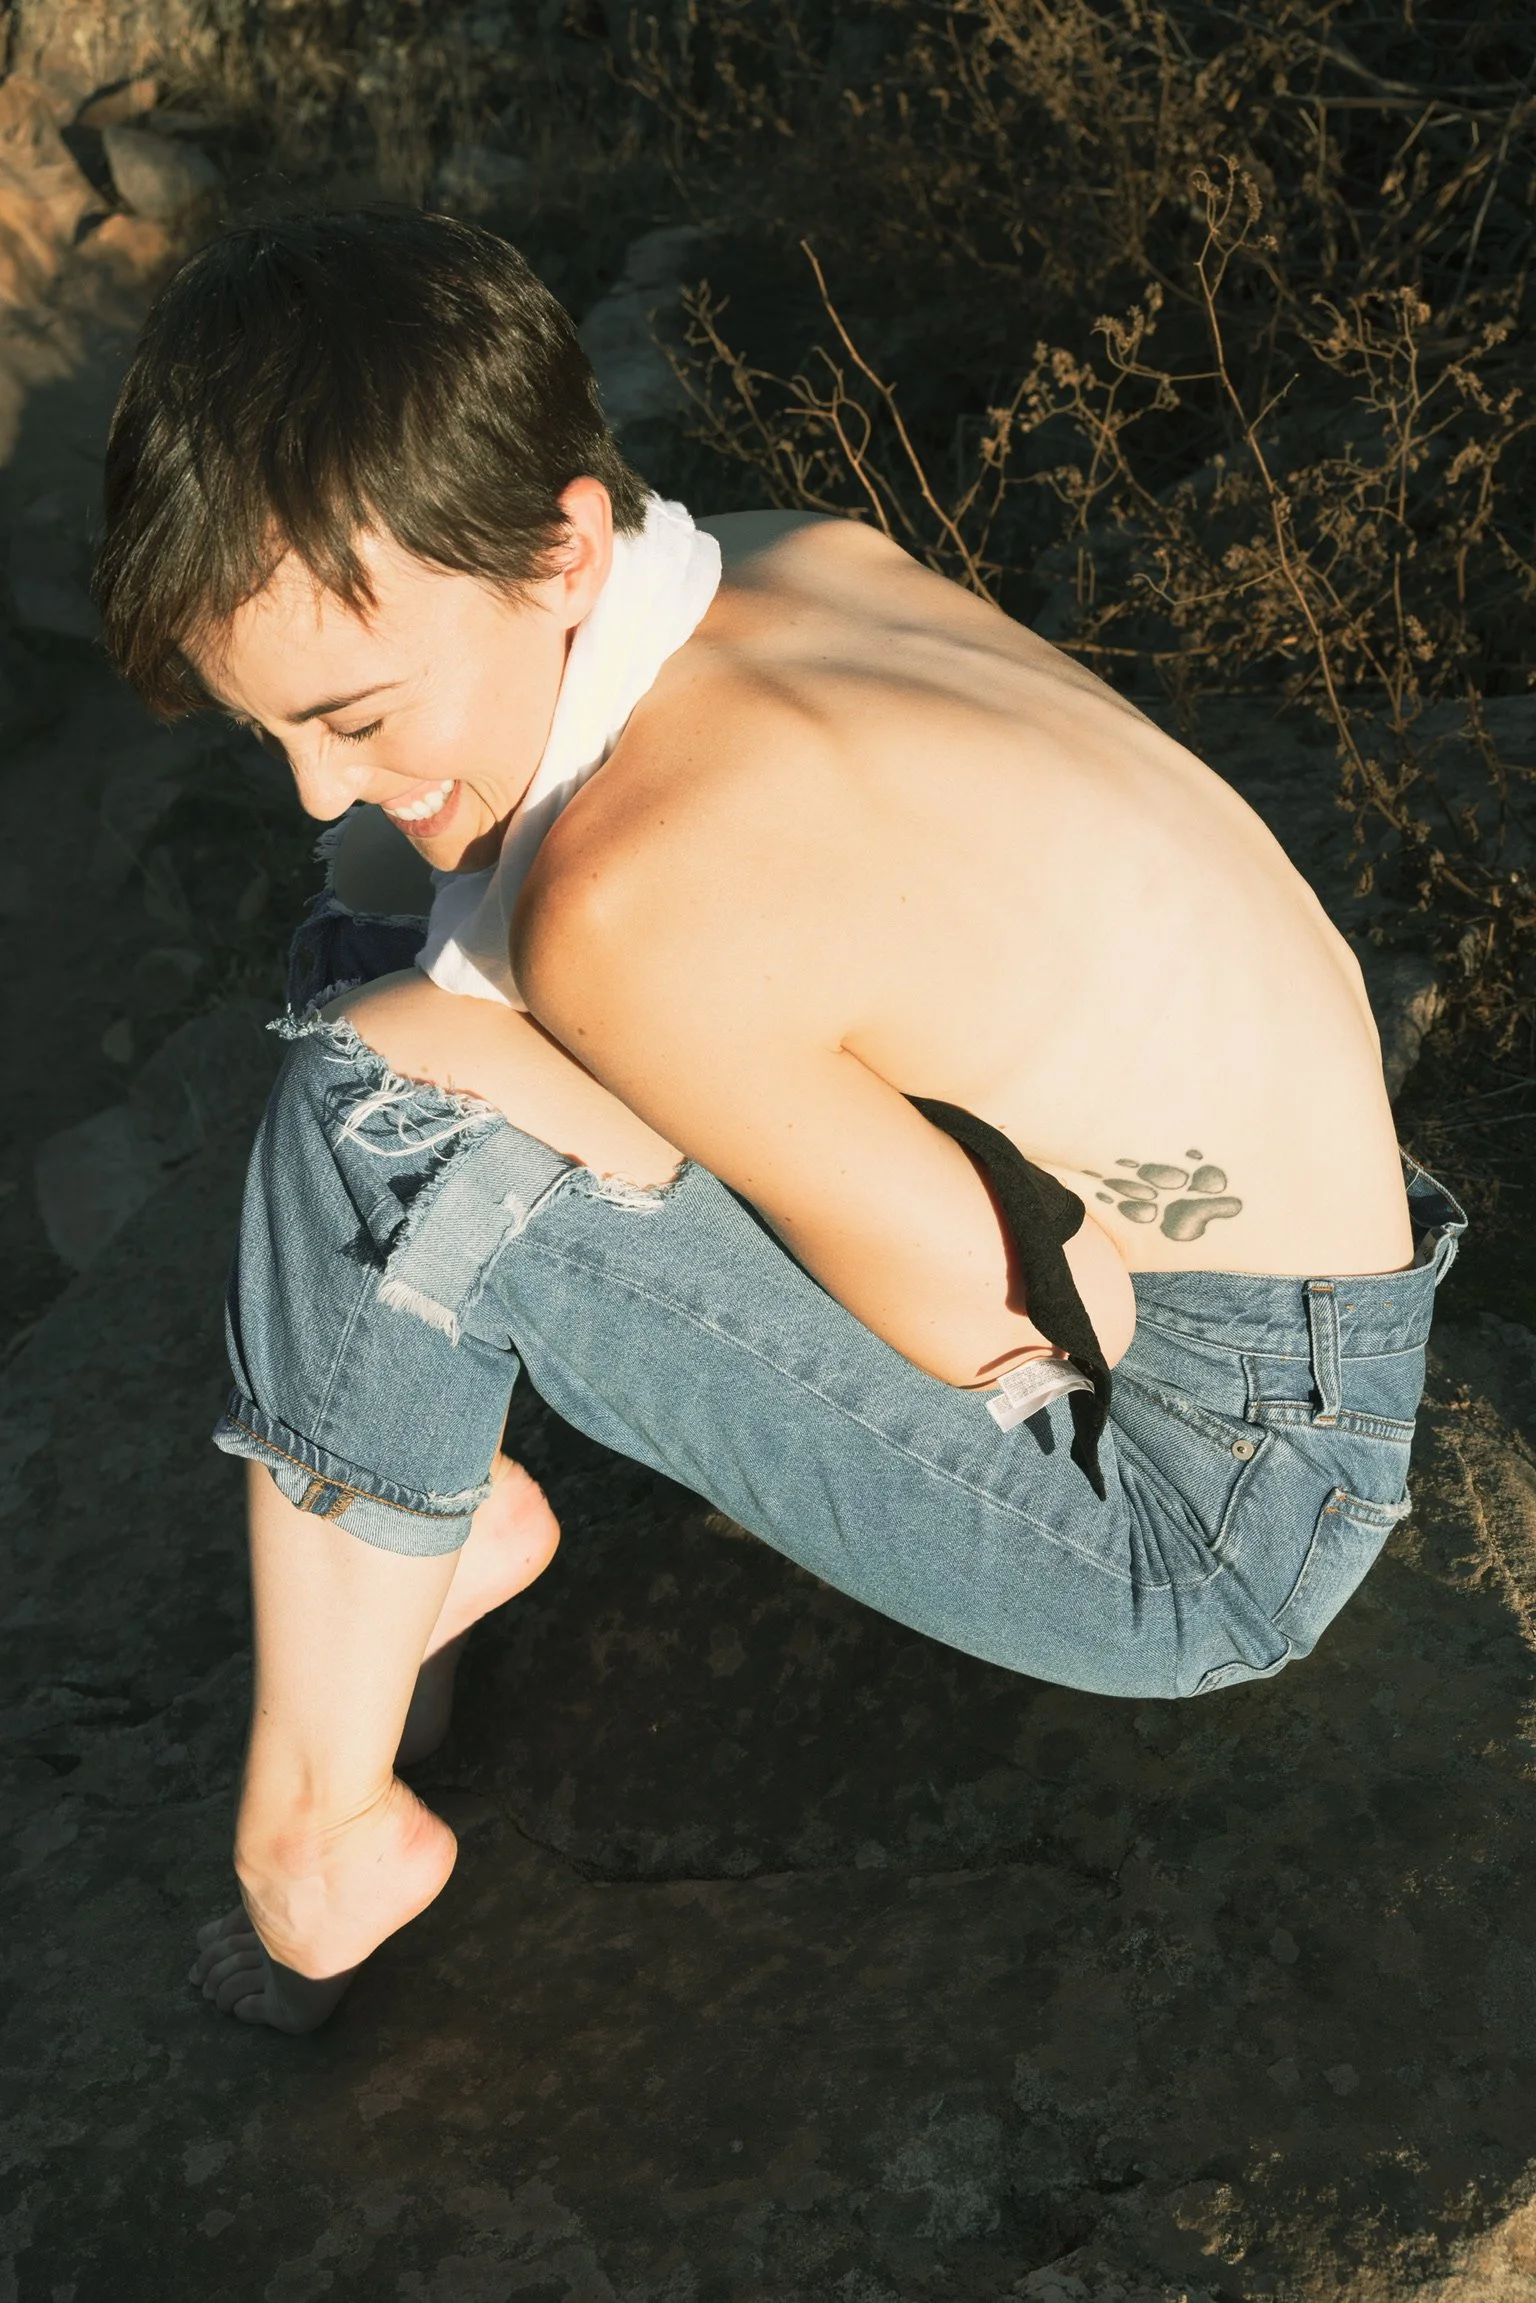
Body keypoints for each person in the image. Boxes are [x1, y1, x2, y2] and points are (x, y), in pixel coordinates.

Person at [93, 209, 1466, 2034]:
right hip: (1320, 1281)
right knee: (377, 898)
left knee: (379, 1107)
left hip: (1201, 1493)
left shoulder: (633, 901)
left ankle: (319, 1831)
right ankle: (408, 1546)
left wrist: (572, 1091)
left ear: (558, 547)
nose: (314, 776)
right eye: (265, 728)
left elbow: (1023, 1319)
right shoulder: (774, 557)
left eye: (347, 710)